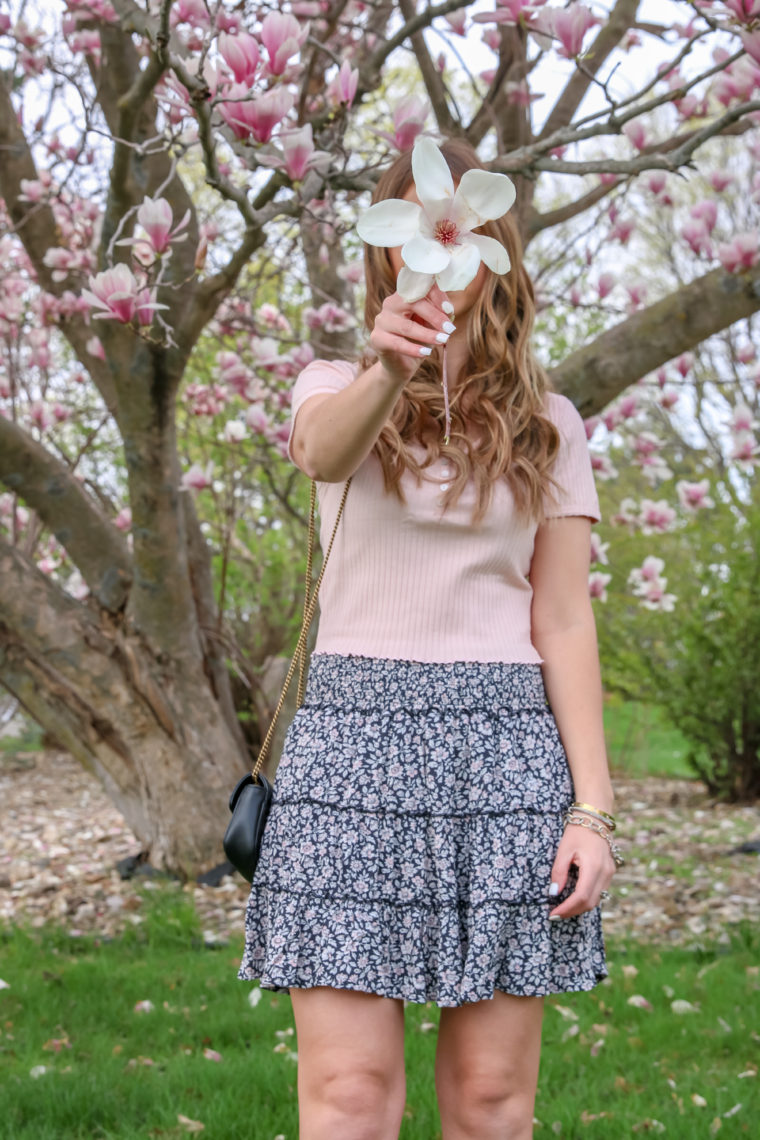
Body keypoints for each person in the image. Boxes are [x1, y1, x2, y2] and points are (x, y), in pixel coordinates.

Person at [238, 137, 619, 1140]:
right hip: (350, 751)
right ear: (387, 245)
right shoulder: (333, 383)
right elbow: (323, 452)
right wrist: (388, 362)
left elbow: (564, 618)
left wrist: (593, 811)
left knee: (491, 1103)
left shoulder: (549, 422)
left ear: (491, 249)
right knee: (348, 1095)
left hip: (503, 757)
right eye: (415, 220)